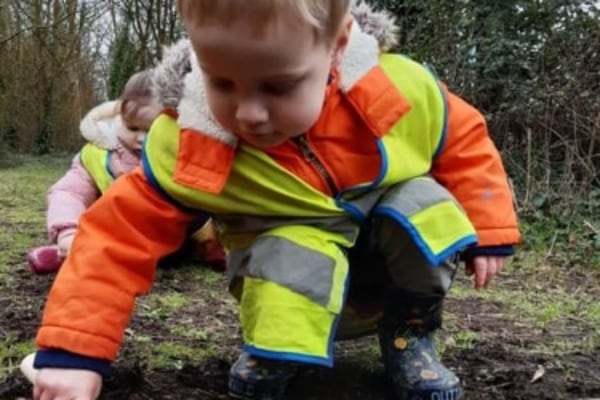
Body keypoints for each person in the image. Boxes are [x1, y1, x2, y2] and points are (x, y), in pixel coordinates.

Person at [29, 1, 520, 399]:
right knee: (290, 244)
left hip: (387, 279)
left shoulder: (396, 88)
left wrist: (490, 226)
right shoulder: (192, 140)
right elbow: (117, 236)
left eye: (279, 85)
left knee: (421, 200)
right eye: (221, 82)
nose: (249, 113)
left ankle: (409, 337)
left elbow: (463, 138)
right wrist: (73, 353)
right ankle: (274, 352)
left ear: (337, 46)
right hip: (285, 292)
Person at [26, 71, 226, 275]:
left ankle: (213, 249)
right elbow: (70, 192)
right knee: (102, 232)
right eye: (132, 128)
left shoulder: (185, 153)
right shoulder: (99, 155)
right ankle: (70, 253)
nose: (141, 138)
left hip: (178, 235)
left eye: (152, 130)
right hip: (119, 233)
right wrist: (68, 232)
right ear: (119, 116)